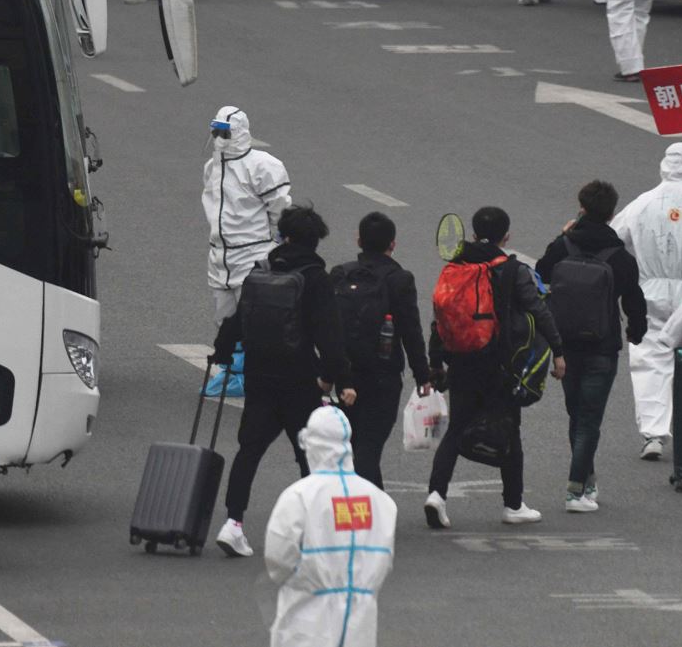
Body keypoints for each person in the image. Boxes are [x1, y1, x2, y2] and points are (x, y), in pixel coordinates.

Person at [211, 205, 355, 558]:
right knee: (309, 454)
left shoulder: (260, 271)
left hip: (260, 377)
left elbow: (235, 321)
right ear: (315, 241)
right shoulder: (315, 278)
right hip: (300, 379)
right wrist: (340, 378)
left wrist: (223, 354)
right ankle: (313, 531)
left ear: (284, 236)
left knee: (249, 450)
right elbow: (329, 335)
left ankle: (233, 524)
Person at [425, 206, 564, 529]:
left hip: (460, 359)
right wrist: (558, 351)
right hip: (500, 363)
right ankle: (513, 505)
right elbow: (539, 311)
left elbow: (440, 317)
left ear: (473, 234)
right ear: (507, 237)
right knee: (509, 429)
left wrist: (435, 361)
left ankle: (436, 495)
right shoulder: (511, 269)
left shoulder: (455, 266)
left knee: (456, 428)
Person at [535, 180, 648, 512]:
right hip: (602, 344)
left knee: (576, 414)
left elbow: (540, 275)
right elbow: (634, 301)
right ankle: (575, 490)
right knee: (590, 419)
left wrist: (562, 236)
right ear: (612, 213)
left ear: (581, 208)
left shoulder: (563, 247)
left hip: (565, 344)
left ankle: (586, 482)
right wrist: (636, 333)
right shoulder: (619, 256)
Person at [611, 143, 682, 460]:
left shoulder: (643, 202)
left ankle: (653, 434)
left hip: (649, 290)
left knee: (649, 361)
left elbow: (613, 238)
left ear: (664, 165)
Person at [265, 406, 397, 647]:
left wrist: (305, 577)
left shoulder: (298, 497)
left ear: (311, 444)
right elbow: (384, 561)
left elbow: (278, 560)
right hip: (360, 624)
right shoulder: (380, 501)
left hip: (306, 621)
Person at [331, 212, 432, 488]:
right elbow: (411, 331)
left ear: (359, 240)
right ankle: (361, 516)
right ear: (393, 244)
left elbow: (327, 328)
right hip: (383, 376)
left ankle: (373, 507)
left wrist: (328, 373)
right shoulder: (399, 279)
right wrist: (423, 376)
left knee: (353, 443)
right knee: (369, 446)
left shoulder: (340, 274)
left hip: (345, 376)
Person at [204, 106, 292, 330]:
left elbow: (280, 208)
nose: (220, 139)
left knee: (254, 321)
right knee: (223, 323)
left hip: (253, 255)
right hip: (219, 258)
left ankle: (250, 364)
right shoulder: (212, 168)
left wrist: (276, 243)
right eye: (216, 133)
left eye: (225, 133)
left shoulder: (263, 165)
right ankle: (229, 363)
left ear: (240, 132)